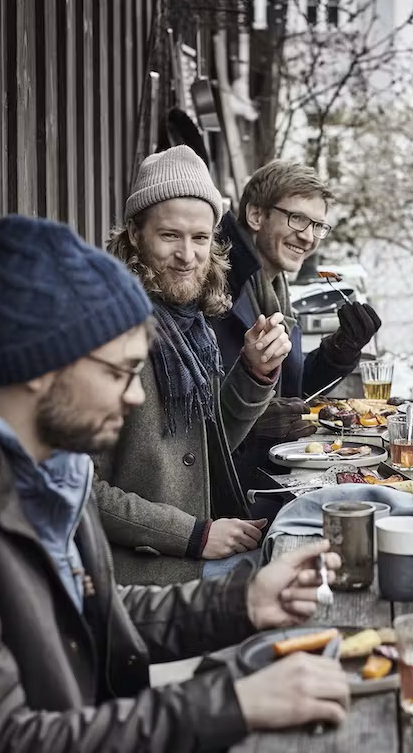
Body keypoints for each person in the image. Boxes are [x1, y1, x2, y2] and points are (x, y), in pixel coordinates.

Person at [0, 215, 348, 751]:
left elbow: (95, 614)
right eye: (118, 372)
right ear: (41, 365)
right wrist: (233, 703)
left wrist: (241, 602)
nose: (133, 397)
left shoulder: (55, 472)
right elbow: (11, 740)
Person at [97, 146, 291, 585]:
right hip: (137, 580)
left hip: (193, 560)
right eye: (170, 236)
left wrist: (254, 372)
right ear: (134, 233)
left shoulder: (193, 327)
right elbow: (79, 489)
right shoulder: (106, 333)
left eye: (200, 238)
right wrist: (193, 535)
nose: (188, 255)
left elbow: (203, 442)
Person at [211, 160, 383, 517]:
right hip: (225, 502)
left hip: (267, 476)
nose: (308, 236)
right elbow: (197, 418)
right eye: (298, 219)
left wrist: (341, 349)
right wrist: (252, 423)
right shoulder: (217, 285)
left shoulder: (274, 286)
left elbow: (294, 390)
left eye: (317, 225)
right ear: (256, 216)